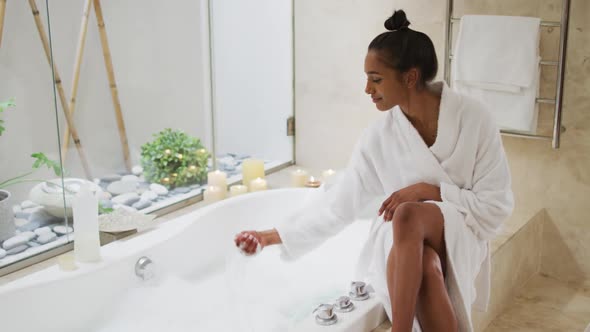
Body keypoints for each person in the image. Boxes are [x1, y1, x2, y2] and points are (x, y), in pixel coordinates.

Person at [234, 9, 513, 332]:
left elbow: (495, 207)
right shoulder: (380, 136)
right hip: (403, 246)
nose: (367, 89)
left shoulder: (473, 118)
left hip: (463, 230)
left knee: (408, 213)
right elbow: (340, 203)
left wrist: (428, 191)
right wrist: (269, 237)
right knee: (423, 259)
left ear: (410, 77)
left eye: (376, 79)